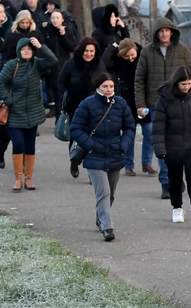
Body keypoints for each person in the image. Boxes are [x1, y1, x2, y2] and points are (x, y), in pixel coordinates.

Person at [134, 17, 191, 199]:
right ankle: (167, 182)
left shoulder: (182, 50)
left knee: (176, 143)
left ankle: (175, 177)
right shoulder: (147, 52)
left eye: (167, 30)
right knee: (160, 142)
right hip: (155, 104)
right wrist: (140, 105)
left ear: (172, 32)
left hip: (179, 103)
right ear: (156, 33)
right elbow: (140, 79)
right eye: (161, 30)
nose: (164, 34)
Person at [71, 72, 137, 242]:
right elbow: (76, 128)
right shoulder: (87, 104)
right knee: (104, 191)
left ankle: (100, 217)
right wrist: (90, 145)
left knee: (111, 193)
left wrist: (124, 144)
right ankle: (107, 227)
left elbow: (130, 126)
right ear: (98, 87)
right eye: (105, 86)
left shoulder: (120, 104)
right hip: (94, 155)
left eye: (111, 86)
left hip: (115, 153)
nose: (108, 89)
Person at [0, 37, 57, 192]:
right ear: (18, 51)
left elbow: (53, 60)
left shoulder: (37, 64)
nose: (26, 51)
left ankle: (29, 179)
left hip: (33, 112)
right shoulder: (11, 65)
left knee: (30, 146)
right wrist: (10, 100)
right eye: (23, 49)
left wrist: (40, 46)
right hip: (15, 113)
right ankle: (18, 178)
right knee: (18, 144)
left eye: (29, 49)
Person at [153, 66, 191, 227]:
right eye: (183, 84)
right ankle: (177, 207)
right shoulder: (165, 99)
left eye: (189, 83)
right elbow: (158, 126)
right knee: (175, 179)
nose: (186, 87)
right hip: (173, 147)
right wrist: (160, 148)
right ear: (176, 83)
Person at [105, 38, 152, 177]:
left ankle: (147, 162)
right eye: (126, 56)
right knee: (129, 133)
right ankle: (128, 164)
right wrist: (112, 47)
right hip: (126, 100)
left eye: (132, 55)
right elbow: (105, 62)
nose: (130, 58)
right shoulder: (117, 62)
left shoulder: (143, 57)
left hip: (143, 99)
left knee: (149, 131)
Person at [59, 38, 105, 177]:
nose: (89, 54)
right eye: (86, 51)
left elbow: (106, 82)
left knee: (94, 137)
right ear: (81, 51)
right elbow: (61, 81)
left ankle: (93, 170)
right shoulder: (71, 64)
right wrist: (65, 97)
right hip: (75, 105)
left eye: (92, 51)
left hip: (95, 105)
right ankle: (75, 159)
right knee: (77, 136)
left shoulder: (99, 65)